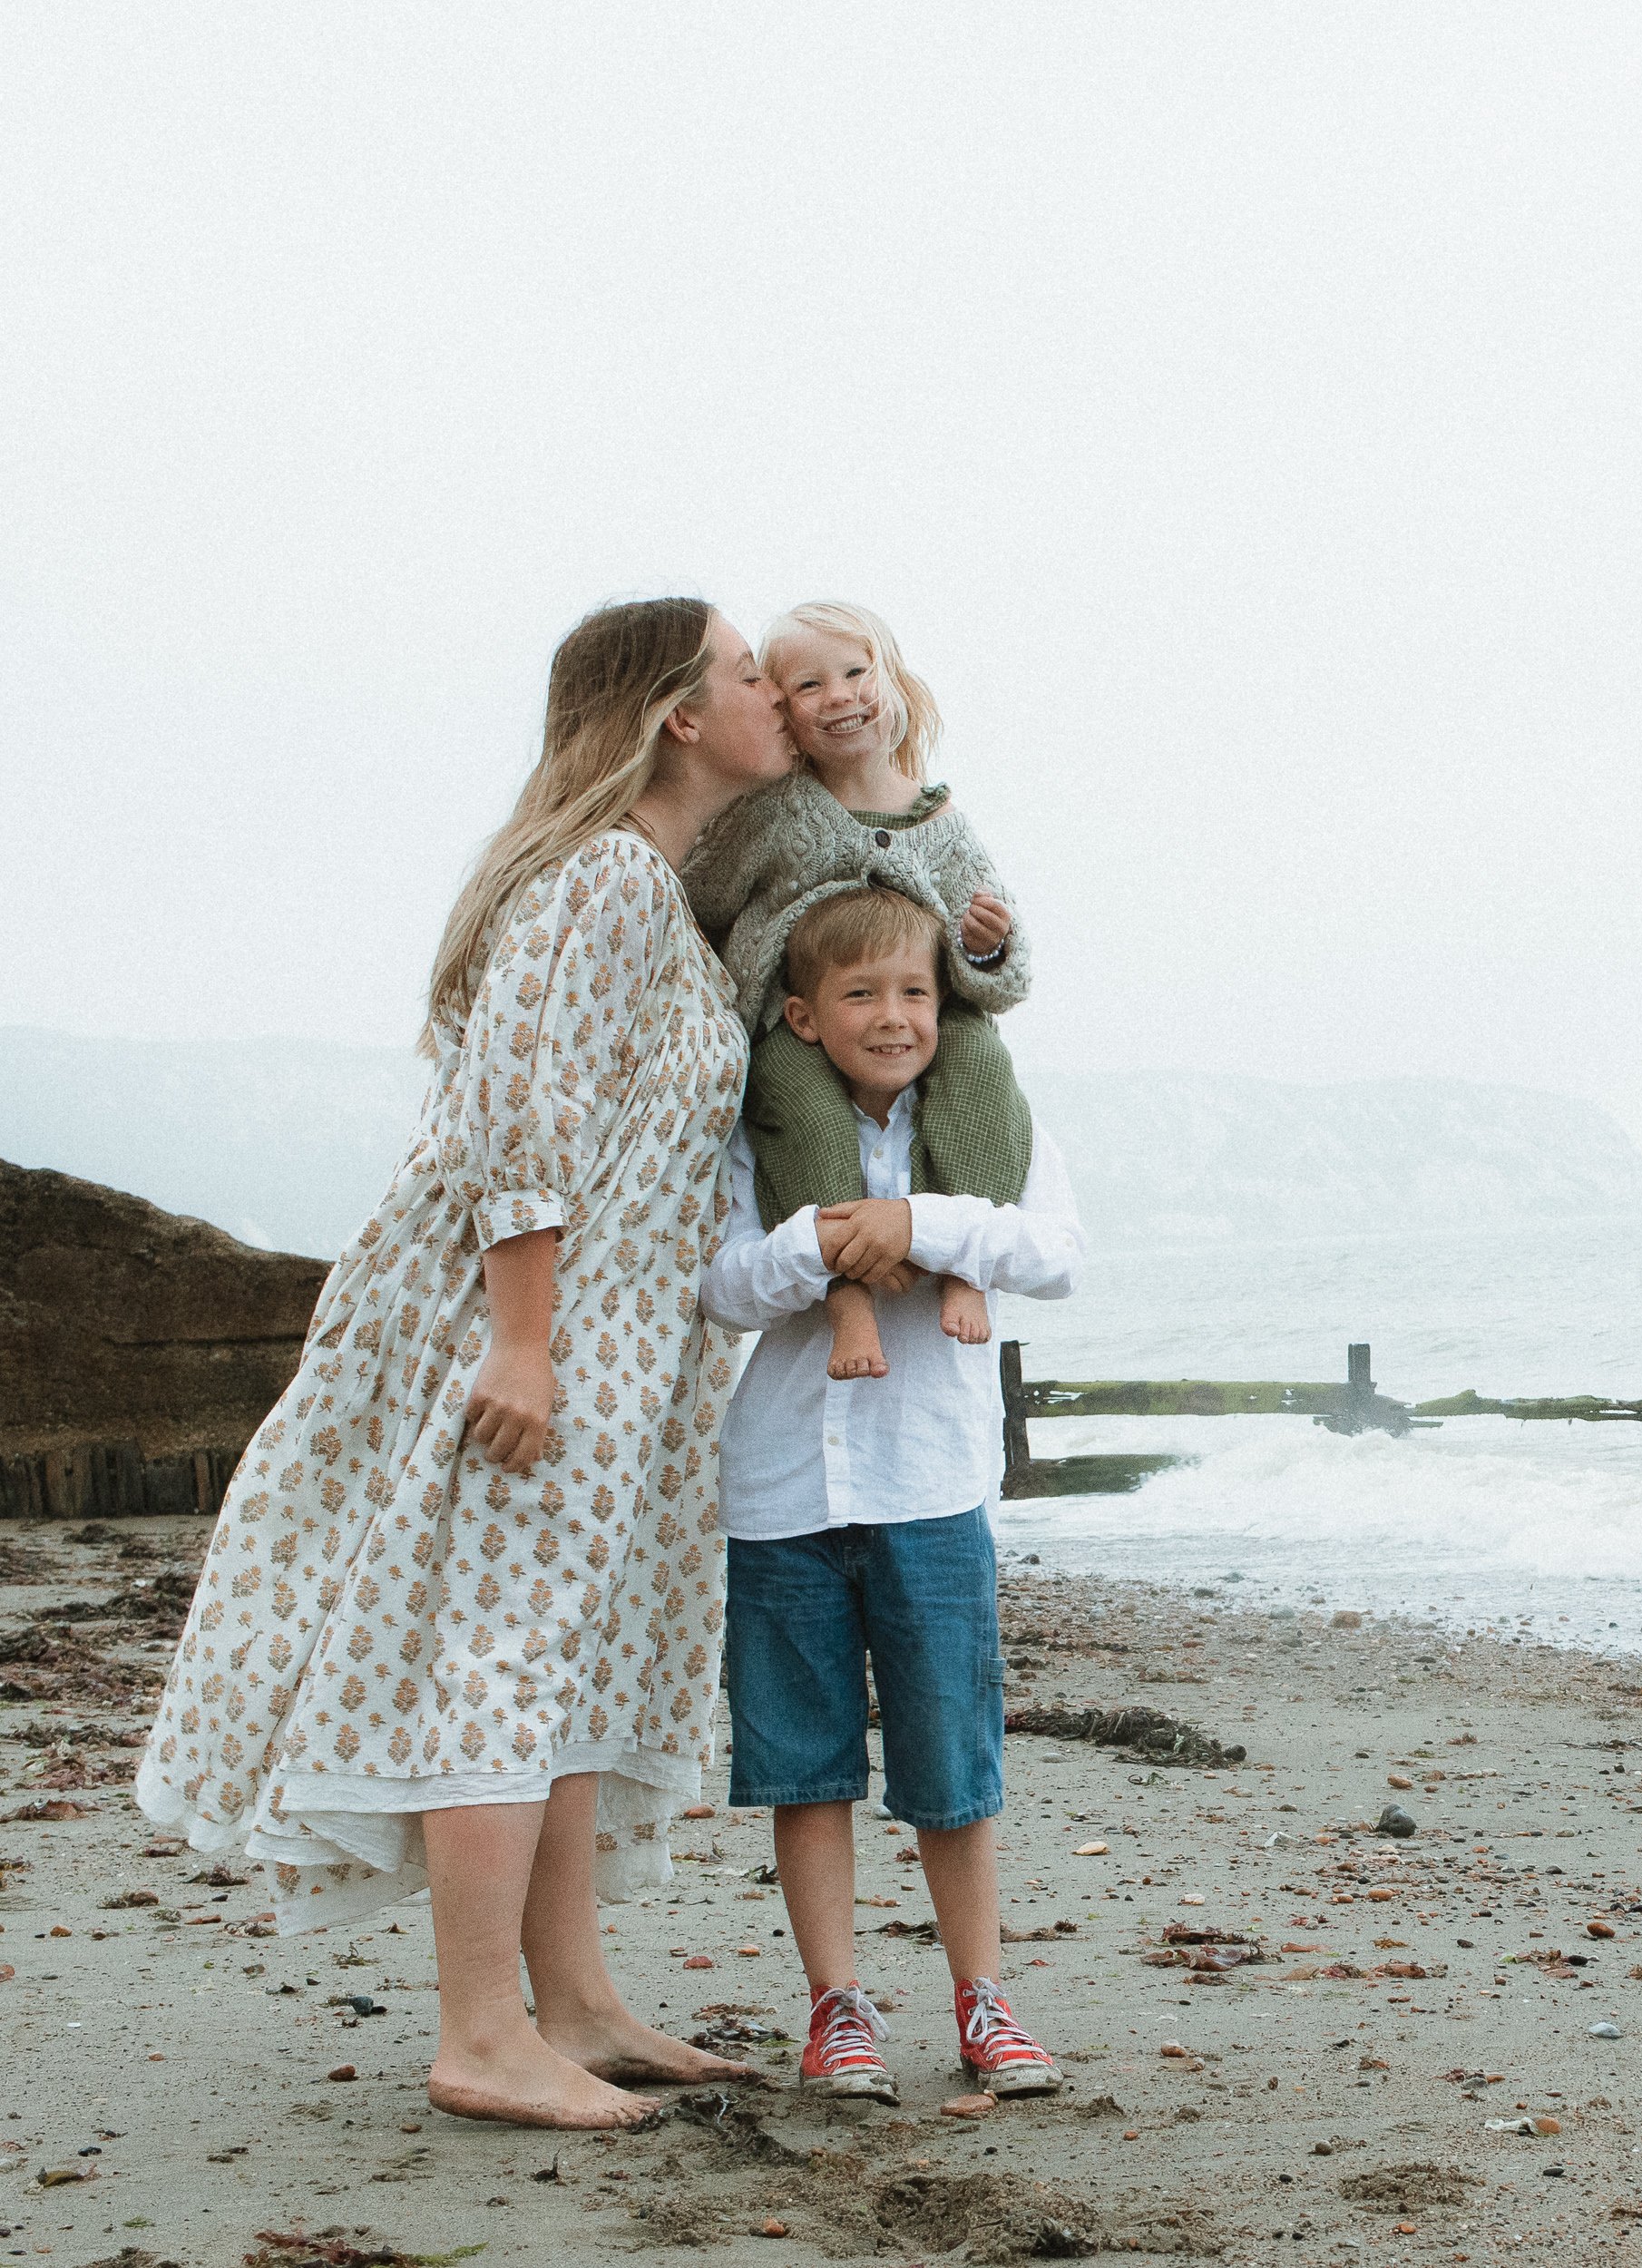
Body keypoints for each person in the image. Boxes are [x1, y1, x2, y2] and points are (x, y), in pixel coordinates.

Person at [135, 598, 794, 2131]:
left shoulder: (660, 890)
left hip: (616, 1340)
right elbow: (521, 1115)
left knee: (554, 1653)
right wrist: (519, 1339)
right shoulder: (602, 881)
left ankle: (572, 2002)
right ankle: (481, 2033)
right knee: (496, 1652)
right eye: (752, 671)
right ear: (681, 713)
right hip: (535, 1330)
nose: (777, 692)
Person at [699, 885, 1082, 2103]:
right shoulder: (761, 1130)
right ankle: (836, 2007)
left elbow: (1056, 1251)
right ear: (806, 1018)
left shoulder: (988, 1124)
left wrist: (923, 1222)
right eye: (861, 995)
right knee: (804, 1765)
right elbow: (719, 1282)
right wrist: (828, 1242)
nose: (893, 1015)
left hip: (930, 1480)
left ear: (945, 1004)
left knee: (950, 1761)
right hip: (782, 1489)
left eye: (914, 991)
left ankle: (983, 1998)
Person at [683, 600, 1034, 1383]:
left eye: (854, 672)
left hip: (923, 1010)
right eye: (808, 686)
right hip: (801, 1018)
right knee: (793, 1097)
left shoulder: (940, 818)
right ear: (784, 714)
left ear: (891, 680)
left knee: (980, 1062)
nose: (839, 695)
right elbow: (699, 894)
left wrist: (987, 942)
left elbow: (1007, 964)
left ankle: (966, 1265)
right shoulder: (775, 814)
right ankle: (847, 1301)